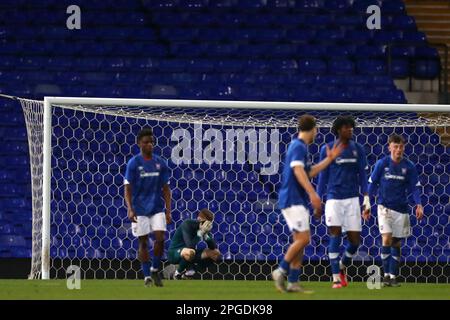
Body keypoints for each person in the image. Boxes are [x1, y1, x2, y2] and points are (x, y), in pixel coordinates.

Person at [272, 114, 343, 293]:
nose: (316, 134)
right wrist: (313, 194)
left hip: (296, 199)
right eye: (316, 130)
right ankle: (281, 270)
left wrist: (329, 159)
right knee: (304, 239)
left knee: (300, 242)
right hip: (293, 198)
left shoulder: (301, 147)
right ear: (312, 129)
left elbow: (309, 172)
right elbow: (298, 171)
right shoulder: (298, 146)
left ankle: (293, 282)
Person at [317, 116, 371, 289]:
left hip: (352, 199)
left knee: (355, 241)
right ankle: (335, 279)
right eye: (347, 127)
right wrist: (318, 198)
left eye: (351, 127)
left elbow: (363, 175)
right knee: (335, 235)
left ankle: (341, 266)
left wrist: (367, 198)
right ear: (339, 130)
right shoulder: (327, 149)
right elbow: (322, 177)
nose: (351, 130)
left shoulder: (358, 149)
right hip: (333, 199)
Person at [368, 134, 423, 287]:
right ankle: (385, 275)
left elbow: (415, 187)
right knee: (386, 238)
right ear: (389, 147)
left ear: (403, 147)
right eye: (395, 146)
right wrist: (367, 204)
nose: (398, 149)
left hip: (402, 208)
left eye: (401, 146)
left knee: (396, 243)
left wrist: (419, 204)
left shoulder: (409, 166)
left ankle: (392, 276)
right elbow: (372, 184)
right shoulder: (382, 163)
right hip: (384, 207)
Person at [124, 128, 172, 287]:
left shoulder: (160, 163)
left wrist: (168, 211)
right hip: (139, 210)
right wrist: (130, 208)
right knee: (143, 242)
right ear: (139, 144)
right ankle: (147, 277)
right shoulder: (133, 163)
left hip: (157, 208)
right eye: (146, 142)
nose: (150, 144)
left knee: (160, 238)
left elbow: (166, 189)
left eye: (151, 142)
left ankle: (155, 269)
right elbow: (127, 188)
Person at [168, 209, 221, 279]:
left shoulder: (204, 228)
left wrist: (206, 235)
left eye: (209, 223)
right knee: (190, 252)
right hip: (174, 253)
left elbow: (213, 247)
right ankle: (176, 274)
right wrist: (200, 233)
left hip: (191, 253)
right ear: (199, 218)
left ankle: (189, 273)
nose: (206, 225)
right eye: (205, 222)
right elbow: (189, 245)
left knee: (215, 253)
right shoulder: (187, 224)